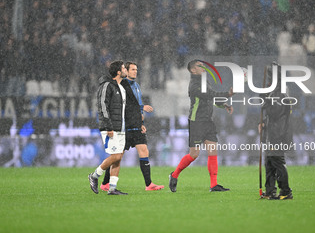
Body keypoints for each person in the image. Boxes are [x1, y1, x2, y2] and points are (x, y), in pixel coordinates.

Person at [169, 59, 234, 192]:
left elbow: (210, 98)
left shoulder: (204, 81)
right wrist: (227, 94)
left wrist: (223, 105)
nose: (204, 67)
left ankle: (213, 185)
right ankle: (174, 175)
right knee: (194, 154)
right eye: (200, 66)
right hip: (196, 121)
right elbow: (209, 94)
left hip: (208, 121)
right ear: (193, 70)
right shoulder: (194, 84)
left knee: (213, 151)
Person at [100, 61, 164, 191]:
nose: (135, 71)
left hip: (136, 125)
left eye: (136, 69)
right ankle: (104, 183)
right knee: (117, 157)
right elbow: (126, 106)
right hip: (126, 126)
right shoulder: (121, 85)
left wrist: (141, 123)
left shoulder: (137, 85)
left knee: (144, 151)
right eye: (133, 69)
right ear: (126, 71)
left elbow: (136, 105)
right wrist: (142, 107)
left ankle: (149, 184)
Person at [88, 60, 128, 195]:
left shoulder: (120, 87)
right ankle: (94, 175)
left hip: (120, 127)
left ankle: (112, 188)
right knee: (116, 156)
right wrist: (108, 126)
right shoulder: (106, 85)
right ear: (118, 72)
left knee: (119, 157)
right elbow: (102, 106)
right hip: (110, 127)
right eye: (123, 68)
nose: (125, 70)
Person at [258, 62, 293, 200]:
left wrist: (264, 100)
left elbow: (275, 112)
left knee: (277, 161)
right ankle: (270, 191)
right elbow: (269, 115)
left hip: (277, 133)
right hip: (272, 131)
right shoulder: (274, 92)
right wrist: (261, 122)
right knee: (269, 161)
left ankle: (285, 191)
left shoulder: (280, 93)